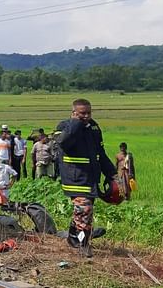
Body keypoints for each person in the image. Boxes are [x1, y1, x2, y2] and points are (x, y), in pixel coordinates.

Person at [56, 98, 116, 258]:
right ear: (73, 113)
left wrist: (112, 174)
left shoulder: (94, 128)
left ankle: (72, 238)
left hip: (90, 179)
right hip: (74, 179)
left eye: (89, 113)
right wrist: (76, 123)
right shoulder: (64, 126)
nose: (86, 116)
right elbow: (63, 142)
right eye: (82, 113)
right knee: (84, 211)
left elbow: (100, 154)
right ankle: (83, 244)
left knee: (82, 213)